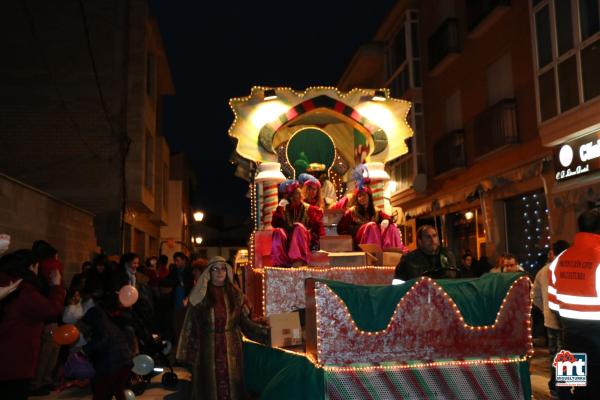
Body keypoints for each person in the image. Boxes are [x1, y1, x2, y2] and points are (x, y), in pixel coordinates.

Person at [177, 256, 268, 400]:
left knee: (233, 385)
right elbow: (191, 326)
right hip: (207, 348)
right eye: (215, 269)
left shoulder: (236, 295)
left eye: (223, 269)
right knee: (209, 387)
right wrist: (189, 353)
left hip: (232, 347)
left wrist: (266, 332)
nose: (220, 272)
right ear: (209, 272)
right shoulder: (200, 296)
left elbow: (245, 323)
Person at [548, 208, 600, 399]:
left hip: (569, 331)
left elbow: (553, 302)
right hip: (597, 334)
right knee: (595, 385)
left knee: (572, 383)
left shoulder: (561, 258)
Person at [0, 250, 65, 400]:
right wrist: (56, 286)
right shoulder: (23, 290)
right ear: (30, 267)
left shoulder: (5, 283)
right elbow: (51, 309)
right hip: (15, 361)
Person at [533, 239, 570, 399]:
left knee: (554, 353)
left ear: (553, 252)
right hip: (571, 321)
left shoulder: (543, 271)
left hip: (550, 320)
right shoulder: (570, 268)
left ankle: (556, 388)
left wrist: (545, 311)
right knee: (568, 353)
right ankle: (566, 388)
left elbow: (535, 296)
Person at [337, 181, 405, 252]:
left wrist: (386, 221)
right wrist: (352, 235)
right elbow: (341, 228)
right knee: (371, 225)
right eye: (359, 196)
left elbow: (388, 218)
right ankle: (375, 251)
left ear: (369, 196)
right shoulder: (352, 211)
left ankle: (391, 250)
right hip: (360, 241)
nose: (362, 198)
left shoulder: (376, 211)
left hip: (377, 240)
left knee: (391, 227)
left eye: (364, 195)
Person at [271, 180, 323, 266]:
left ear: (300, 195)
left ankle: (298, 261)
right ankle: (280, 262)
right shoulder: (283, 209)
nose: (292, 198)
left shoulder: (309, 209)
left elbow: (318, 230)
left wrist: (315, 244)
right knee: (278, 232)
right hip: (288, 242)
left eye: (294, 195)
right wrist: (279, 208)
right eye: (289, 196)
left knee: (298, 227)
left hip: (304, 243)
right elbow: (275, 224)